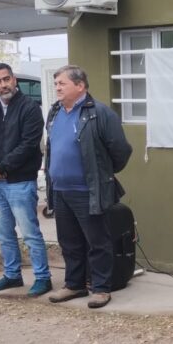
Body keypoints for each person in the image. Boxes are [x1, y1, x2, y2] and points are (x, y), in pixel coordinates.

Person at [46, 65, 132, 309]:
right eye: (56, 84)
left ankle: (101, 288)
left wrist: (101, 173)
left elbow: (121, 151)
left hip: (87, 191)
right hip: (61, 191)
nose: (58, 88)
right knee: (69, 242)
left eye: (62, 83)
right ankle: (74, 284)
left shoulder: (100, 113)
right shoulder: (55, 113)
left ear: (80, 85)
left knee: (97, 242)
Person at [0, 63, 52, 297]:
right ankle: (12, 275)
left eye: (6, 79)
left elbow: (28, 145)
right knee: (4, 233)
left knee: (30, 233)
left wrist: (2, 168)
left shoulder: (29, 108)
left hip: (20, 182)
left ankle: (43, 277)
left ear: (14, 79)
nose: (3, 84)